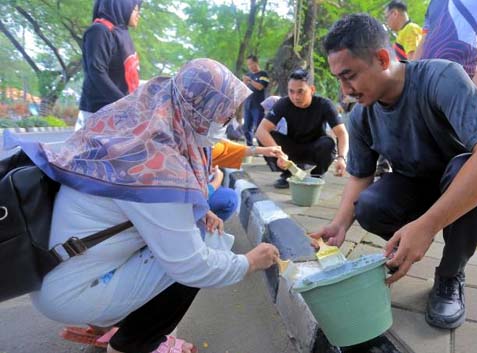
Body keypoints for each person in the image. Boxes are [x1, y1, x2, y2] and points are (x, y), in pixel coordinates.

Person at [16, 59, 279, 353]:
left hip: (52, 273)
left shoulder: (135, 126)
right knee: (209, 244)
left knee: (192, 226)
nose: (226, 123)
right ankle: (134, 342)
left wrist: (200, 209)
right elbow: (191, 266)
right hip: (75, 291)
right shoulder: (158, 167)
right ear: (200, 111)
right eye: (224, 115)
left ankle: (109, 323)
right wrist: (251, 262)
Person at [315, 14, 477, 330]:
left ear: (382, 59)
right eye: (339, 79)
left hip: (467, 180)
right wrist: (340, 225)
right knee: (367, 205)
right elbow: (360, 176)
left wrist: (428, 224)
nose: (344, 90)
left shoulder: (440, 78)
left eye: (349, 76)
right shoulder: (362, 116)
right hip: (418, 184)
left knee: (463, 169)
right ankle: (413, 240)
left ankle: (450, 274)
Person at [255, 68, 349, 189]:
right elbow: (261, 130)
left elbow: (342, 133)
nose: (295, 97)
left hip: (315, 149)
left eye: (300, 92)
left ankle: (317, 175)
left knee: (328, 143)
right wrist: (279, 154)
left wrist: (342, 158)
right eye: (291, 91)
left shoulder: (325, 105)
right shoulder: (283, 103)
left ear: (312, 90)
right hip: (291, 149)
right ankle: (288, 173)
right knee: (267, 138)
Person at [414, 0, 477, 95]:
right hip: (425, 72)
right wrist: (410, 71)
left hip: (460, 71)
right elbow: (425, 38)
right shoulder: (434, 2)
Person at [75, 0, 142, 130]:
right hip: (97, 114)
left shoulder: (122, 34)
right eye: (135, 9)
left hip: (119, 113)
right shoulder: (99, 31)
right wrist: (126, 104)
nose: (138, 14)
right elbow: (97, 72)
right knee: (92, 150)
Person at [242, 55, 270, 146]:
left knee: (258, 128)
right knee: (246, 128)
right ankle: (251, 147)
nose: (249, 66)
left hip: (258, 105)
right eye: (248, 64)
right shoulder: (248, 75)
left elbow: (260, 87)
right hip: (248, 104)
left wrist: (250, 81)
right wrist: (244, 83)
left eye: (251, 64)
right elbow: (243, 89)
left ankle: (262, 147)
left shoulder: (263, 74)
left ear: (256, 63)